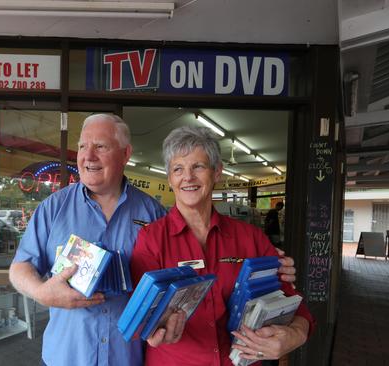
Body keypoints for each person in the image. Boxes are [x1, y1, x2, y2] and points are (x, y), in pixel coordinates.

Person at [9, 115, 300, 366]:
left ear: (125, 153)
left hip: (128, 357)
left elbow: (190, 255)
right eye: (83, 146)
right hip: (67, 355)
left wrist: (267, 263)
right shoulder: (54, 208)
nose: (88, 156)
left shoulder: (153, 215)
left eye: (100, 146)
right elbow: (20, 267)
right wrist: (42, 293)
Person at [130, 126, 314, 366]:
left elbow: (290, 298)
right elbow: (138, 313)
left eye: (198, 166)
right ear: (170, 178)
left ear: (217, 172)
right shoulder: (151, 239)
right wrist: (152, 330)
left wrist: (296, 334)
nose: (188, 177)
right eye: (178, 169)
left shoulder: (251, 237)